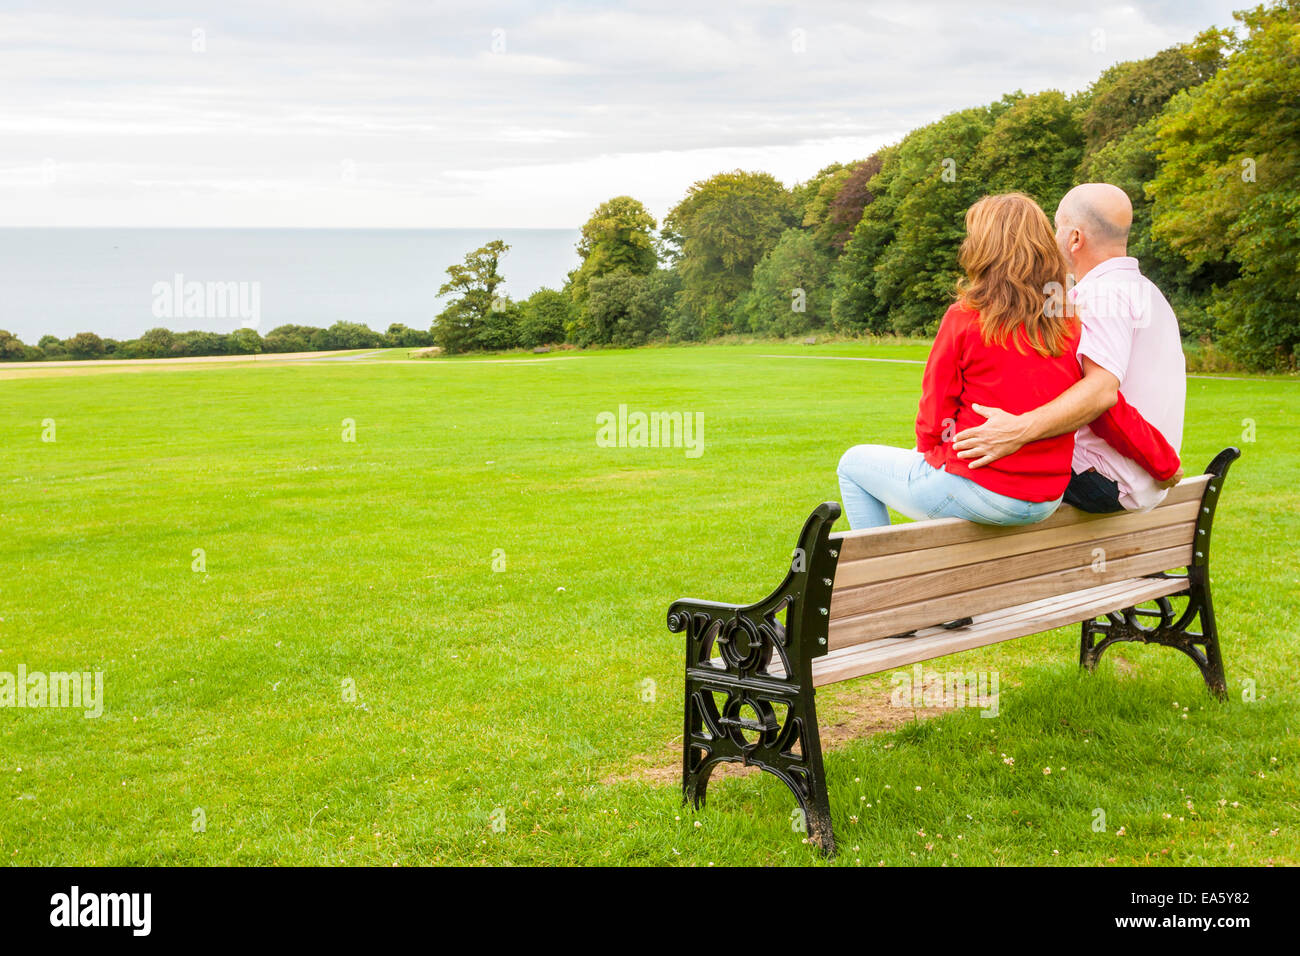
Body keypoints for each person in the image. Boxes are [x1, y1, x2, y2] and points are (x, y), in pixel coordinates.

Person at [837, 193, 1083, 530]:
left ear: (984, 249)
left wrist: (931, 455)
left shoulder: (966, 317)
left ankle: (878, 577)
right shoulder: (1067, 319)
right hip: (1045, 497)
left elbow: (934, 411)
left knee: (852, 465)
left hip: (981, 489)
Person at [951, 183, 1186, 513]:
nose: (1051, 238)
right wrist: (1162, 462)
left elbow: (1102, 394)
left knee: (977, 466)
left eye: (1057, 227)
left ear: (1074, 238)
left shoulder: (1099, 297)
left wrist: (1017, 430)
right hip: (1144, 481)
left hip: (1105, 480)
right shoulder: (1148, 292)